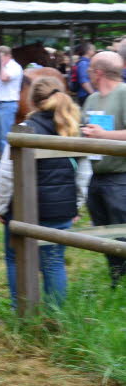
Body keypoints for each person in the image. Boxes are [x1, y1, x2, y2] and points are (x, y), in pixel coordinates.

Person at [0, 75, 90, 307]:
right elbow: (85, 173)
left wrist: (0, 206)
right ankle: (56, 317)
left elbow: (7, 173)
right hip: (61, 210)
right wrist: (76, 204)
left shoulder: (25, 129)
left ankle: (22, 312)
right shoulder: (73, 127)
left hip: (26, 209)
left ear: (33, 101)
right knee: (54, 262)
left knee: (15, 258)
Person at [81, 51, 126, 288]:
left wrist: (103, 135)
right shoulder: (91, 100)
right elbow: (85, 127)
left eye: (89, 70)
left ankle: (120, 282)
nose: (88, 74)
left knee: (121, 233)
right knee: (105, 232)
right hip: (96, 175)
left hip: (121, 177)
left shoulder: (124, 94)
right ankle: (116, 278)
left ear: (98, 72)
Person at [0, 46, 23, 156]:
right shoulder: (0, 67)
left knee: (5, 139)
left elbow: (4, 77)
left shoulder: (15, 67)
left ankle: (8, 166)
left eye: (0, 57)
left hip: (7, 105)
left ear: (8, 56)